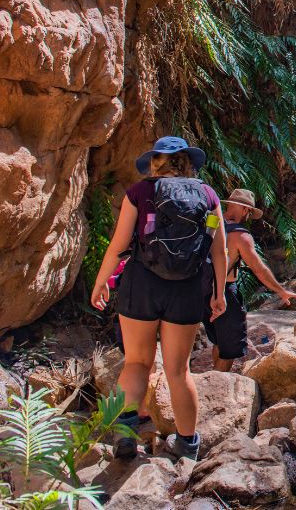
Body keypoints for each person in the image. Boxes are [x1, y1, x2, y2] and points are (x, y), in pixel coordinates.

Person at [91, 136, 227, 461]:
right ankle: (187, 446)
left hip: (142, 285)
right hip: (188, 289)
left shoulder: (139, 192)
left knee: (137, 362)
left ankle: (125, 433)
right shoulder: (208, 196)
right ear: (187, 163)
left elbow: (119, 244)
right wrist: (219, 293)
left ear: (155, 163)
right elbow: (218, 249)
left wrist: (101, 282)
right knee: (179, 371)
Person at [205, 189, 296, 372]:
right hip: (224, 292)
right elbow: (258, 269)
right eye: (250, 212)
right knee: (230, 348)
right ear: (245, 210)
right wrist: (280, 290)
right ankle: (216, 381)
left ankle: (212, 376)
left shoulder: (211, 222)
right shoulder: (241, 236)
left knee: (218, 341)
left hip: (201, 289)